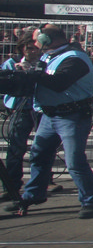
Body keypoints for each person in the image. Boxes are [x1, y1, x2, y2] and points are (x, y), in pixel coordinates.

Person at [3, 24, 93, 219]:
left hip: (71, 116)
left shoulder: (75, 58)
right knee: (39, 155)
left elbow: (59, 83)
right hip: (50, 115)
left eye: (36, 40)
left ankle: (89, 200)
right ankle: (33, 194)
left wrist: (33, 73)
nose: (34, 44)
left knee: (74, 162)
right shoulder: (50, 57)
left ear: (46, 40)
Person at [2, 32, 41, 197]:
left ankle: (44, 182)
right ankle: (12, 185)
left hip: (40, 108)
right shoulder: (12, 63)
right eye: (29, 48)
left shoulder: (44, 62)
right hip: (20, 108)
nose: (33, 52)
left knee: (43, 147)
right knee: (16, 148)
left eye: (36, 48)